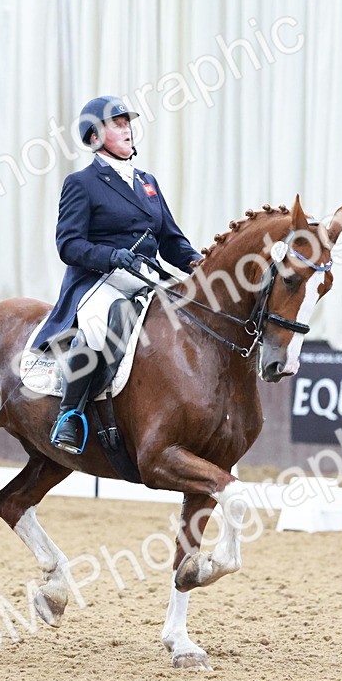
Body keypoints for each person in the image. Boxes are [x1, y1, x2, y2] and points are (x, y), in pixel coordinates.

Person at [33, 95, 202, 454]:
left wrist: (196, 263)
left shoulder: (148, 182)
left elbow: (171, 241)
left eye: (128, 122)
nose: (126, 128)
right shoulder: (82, 183)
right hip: (99, 280)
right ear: (95, 135)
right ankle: (70, 415)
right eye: (117, 123)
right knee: (100, 328)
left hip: (145, 277)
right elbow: (68, 245)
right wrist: (111, 255)